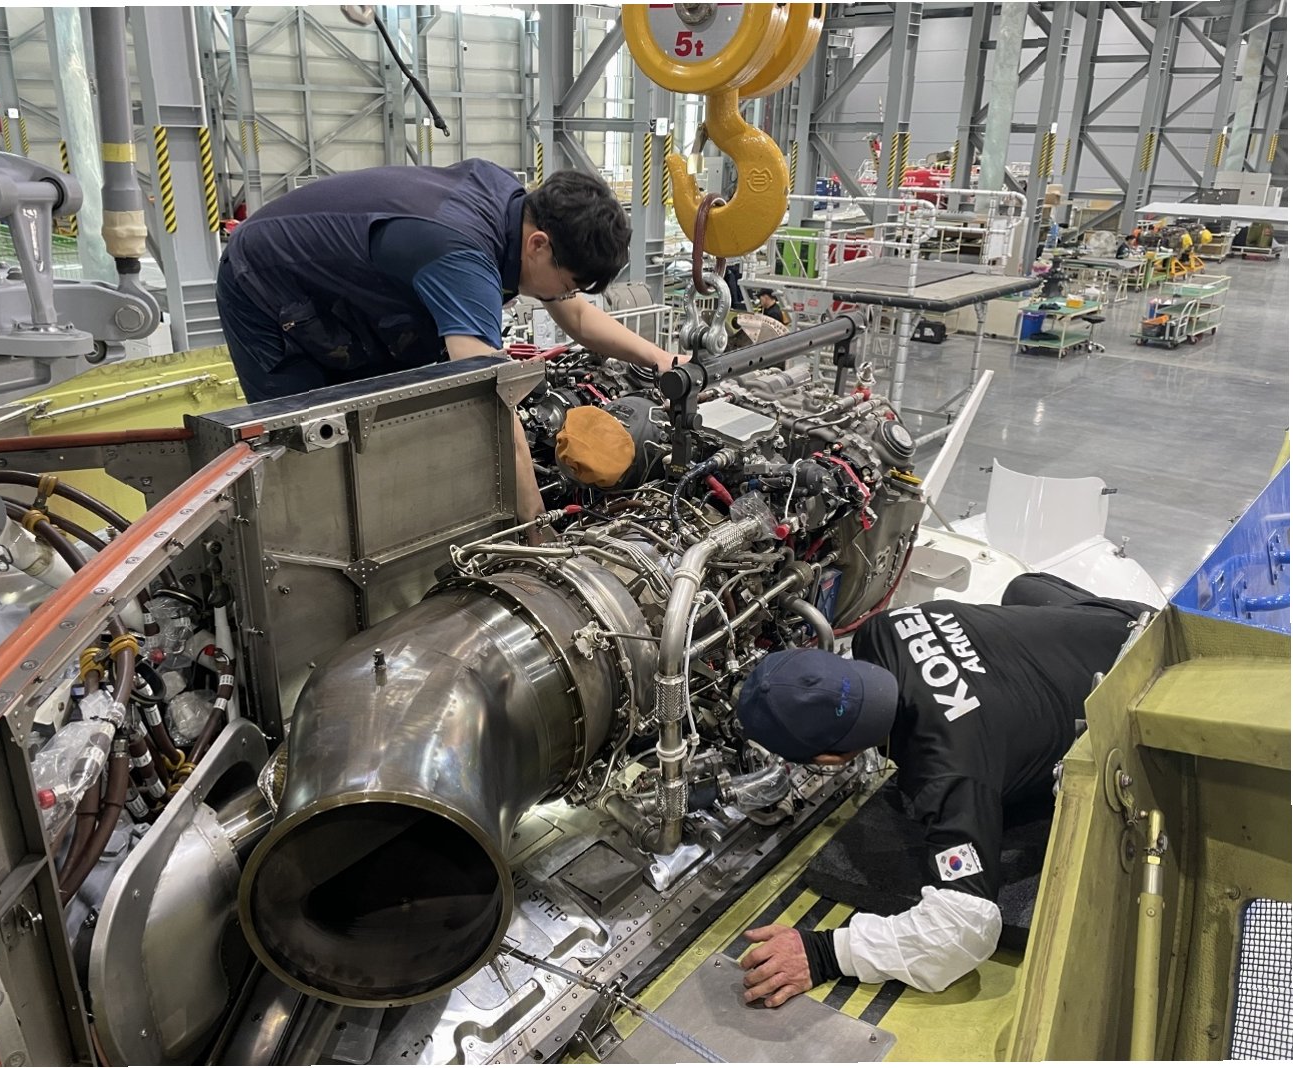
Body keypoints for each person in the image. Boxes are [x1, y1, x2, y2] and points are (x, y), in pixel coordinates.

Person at [734, 572, 1154, 1005]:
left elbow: (965, 930)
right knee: (1022, 587)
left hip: (1149, 688)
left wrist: (823, 953)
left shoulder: (949, 772)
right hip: (1127, 625)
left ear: (826, 760)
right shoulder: (882, 629)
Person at [215, 161, 681, 528]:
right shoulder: (461, 255)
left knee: (389, 431)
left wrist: (662, 358)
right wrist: (537, 526)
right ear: (539, 245)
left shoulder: (517, 210)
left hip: (354, 298)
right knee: (312, 453)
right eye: (568, 283)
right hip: (268, 287)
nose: (564, 296)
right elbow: (490, 401)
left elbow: (576, 315)